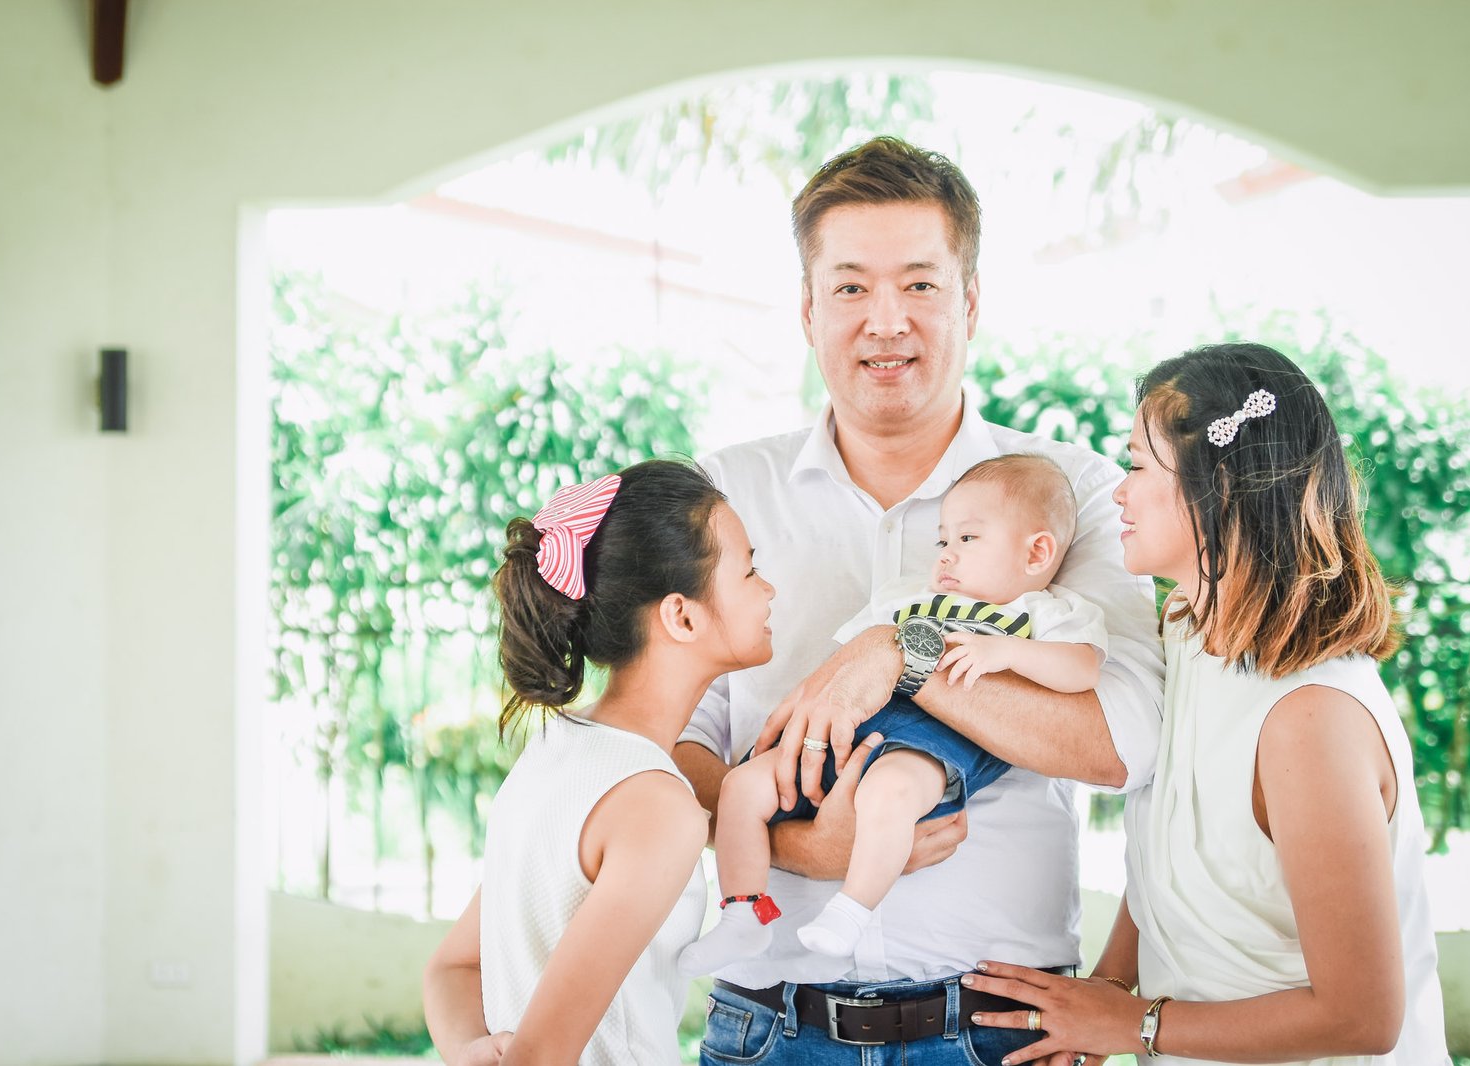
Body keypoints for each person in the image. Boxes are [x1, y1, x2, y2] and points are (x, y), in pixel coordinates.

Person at [674, 136, 1165, 1066]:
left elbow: (1124, 741)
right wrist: (804, 851)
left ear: (970, 302)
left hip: (998, 1034)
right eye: (851, 287)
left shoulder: (1071, 493)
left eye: (921, 285)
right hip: (768, 1030)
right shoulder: (722, 494)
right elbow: (668, 745)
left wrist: (902, 651)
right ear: (809, 309)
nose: (886, 321)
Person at [963, 343, 1450, 1065]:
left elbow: (1362, 1018)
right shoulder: (1186, 632)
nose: (1118, 494)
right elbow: (1170, 857)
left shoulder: (1311, 718)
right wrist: (1107, 991)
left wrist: (1131, 1024)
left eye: (1136, 466)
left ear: (1217, 485)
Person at [678, 454, 1107, 976]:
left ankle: (852, 909)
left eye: (967, 539)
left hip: (943, 739)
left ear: (1036, 552)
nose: (946, 555)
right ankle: (743, 915)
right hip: (863, 722)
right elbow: (849, 660)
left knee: (889, 792)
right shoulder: (910, 597)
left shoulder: (1044, 611)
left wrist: (1008, 652)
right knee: (742, 786)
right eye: (942, 541)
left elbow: (1083, 669)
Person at [422, 459, 776, 1066]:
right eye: (749, 570)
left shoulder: (556, 747)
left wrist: (475, 1051)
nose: (769, 590)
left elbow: (452, 968)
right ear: (682, 616)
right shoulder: (657, 806)